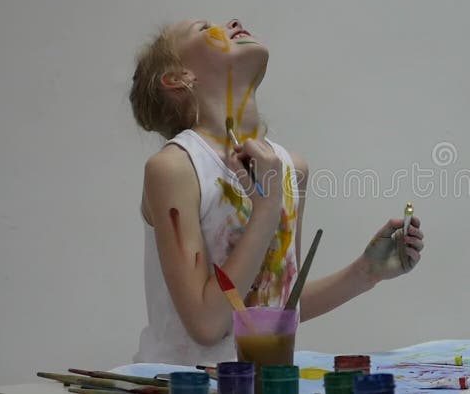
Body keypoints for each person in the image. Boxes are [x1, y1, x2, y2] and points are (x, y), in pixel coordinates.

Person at [128, 18, 424, 364]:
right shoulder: (176, 168)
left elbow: (277, 305)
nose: (234, 22)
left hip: (264, 383)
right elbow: (207, 324)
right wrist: (267, 207)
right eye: (204, 27)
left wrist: (365, 273)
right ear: (177, 78)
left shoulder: (289, 168)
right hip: (183, 384)